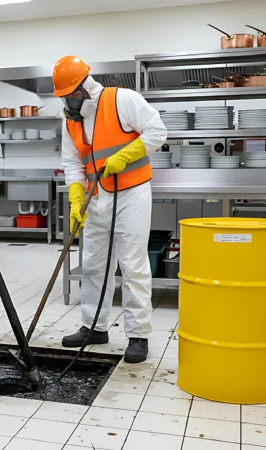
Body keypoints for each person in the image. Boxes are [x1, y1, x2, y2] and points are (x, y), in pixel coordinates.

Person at [54, 55, 167, 363]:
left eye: (72, 95)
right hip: (95, 196)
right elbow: (72, 162)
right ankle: (94, 326)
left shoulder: (122, 100)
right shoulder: (70, 119)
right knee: (93, 264)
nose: (69, 102)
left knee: (132, 264)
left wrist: (125, 155)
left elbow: (157, 132)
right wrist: (76, 198)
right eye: (64, 97)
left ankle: (138, 335)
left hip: (131, 193)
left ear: (84, 87)